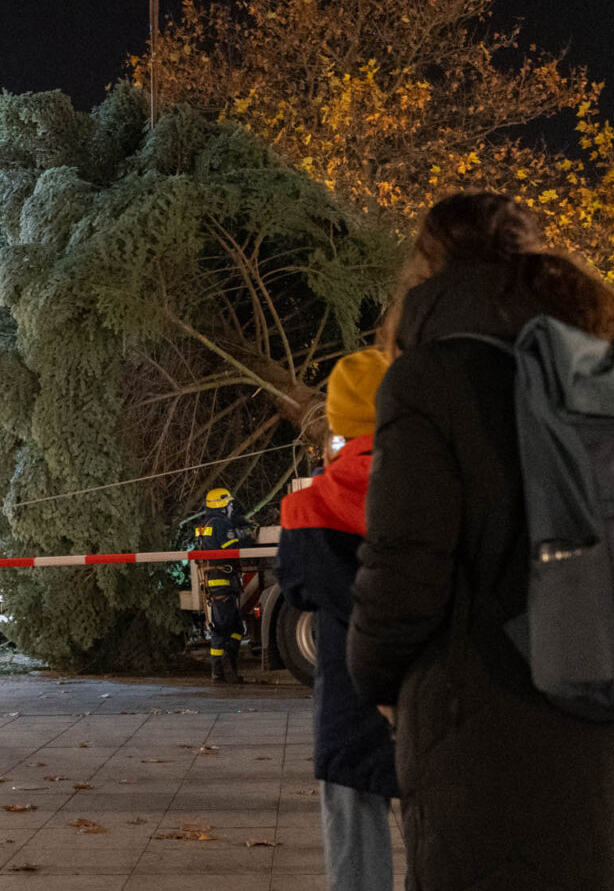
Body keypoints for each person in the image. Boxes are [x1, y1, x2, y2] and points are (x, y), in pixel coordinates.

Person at [347, 192, 614, 889]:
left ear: (429, 267)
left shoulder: (430, 377)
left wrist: (372, 676)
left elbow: (403, 567)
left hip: (487, 729)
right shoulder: (606, 366)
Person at [274, 347, 398, 891]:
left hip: (350, 693)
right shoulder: (438, 486)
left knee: (352, 826)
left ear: (340, 421)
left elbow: (298, 589)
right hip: (432, 695)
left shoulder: (309, 505)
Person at [195, 488, 252, 683]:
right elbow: (233, 551)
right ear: (221, 506)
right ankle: (223, 670)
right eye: (229, 504)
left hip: (214, 580)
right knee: (224, 627)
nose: (231, 508)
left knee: (234, 626)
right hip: (223, 581)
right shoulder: (221, 525)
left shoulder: (205, 525)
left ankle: (223, 668)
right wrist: (243, 536)